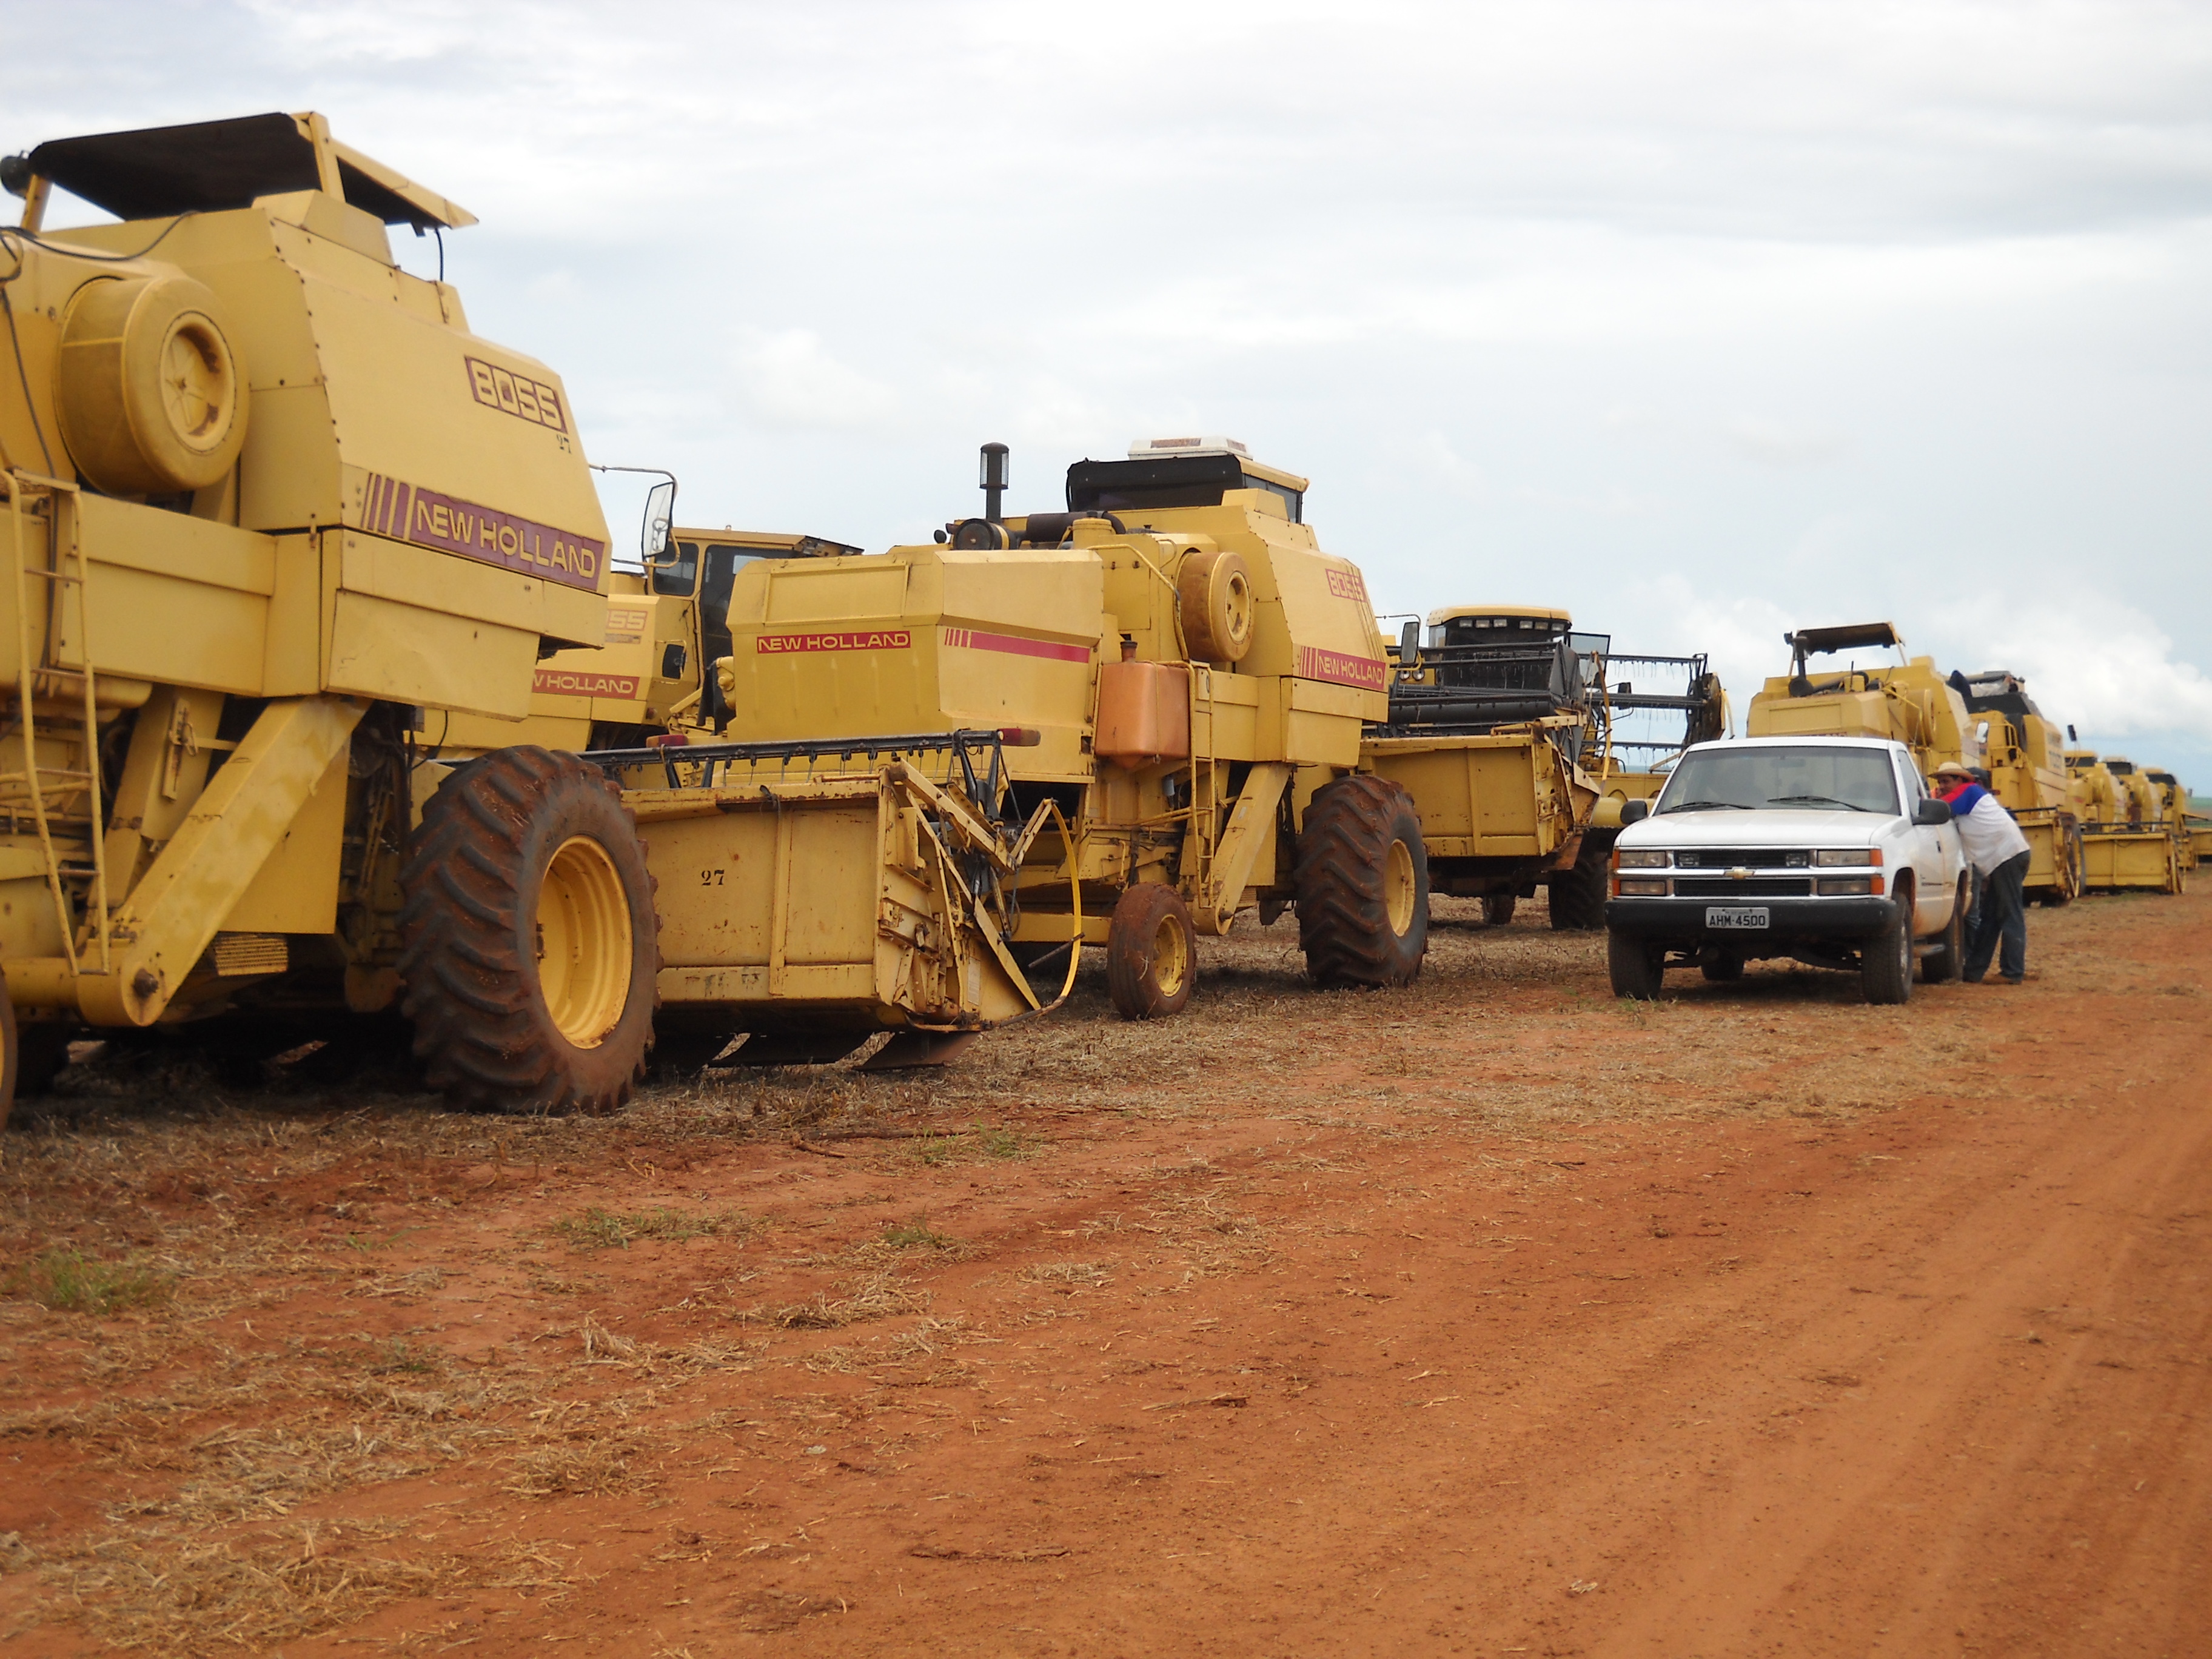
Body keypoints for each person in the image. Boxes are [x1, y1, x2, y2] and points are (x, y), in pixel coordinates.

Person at [1934, 760, 2032, 984]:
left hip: (2006, 857)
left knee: (2009, 915)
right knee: (1991, 918)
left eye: (1946, 781)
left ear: (1960, 780)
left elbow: (1937, 808)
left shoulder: (1968, 792)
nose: (1942, 786)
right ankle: (1974, 972)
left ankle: (2013, 972)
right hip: (2006, 857)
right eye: (1940, 782)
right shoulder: (1969, 795)